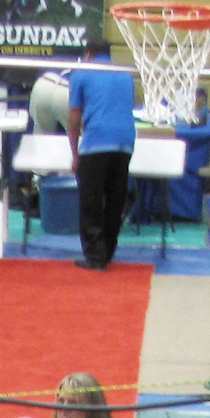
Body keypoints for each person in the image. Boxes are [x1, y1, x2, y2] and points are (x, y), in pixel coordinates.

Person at [64, 35, 137, 270]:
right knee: (115, 199)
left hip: (97, 141)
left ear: (88, 54)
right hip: (125, 141)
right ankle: (107, 251)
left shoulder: (81, 73)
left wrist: (75, 154)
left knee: (91, 200)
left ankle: (95, 256)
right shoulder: (125, 75)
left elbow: (74, 117)